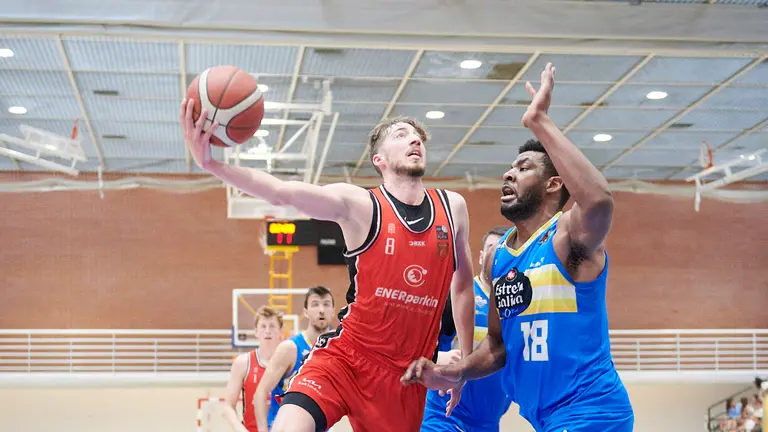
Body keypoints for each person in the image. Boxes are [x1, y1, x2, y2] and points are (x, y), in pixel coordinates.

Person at [181, 100, 476, 432]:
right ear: (379, 159)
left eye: (417, 136)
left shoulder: (453, 208)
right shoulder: (361, 204)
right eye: (401, 134)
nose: (414, 139)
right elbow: (281, 193)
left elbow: (463, 286)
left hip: (404, 378)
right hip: (345, 358)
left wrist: (464, 366)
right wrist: (212, 164)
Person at [401, 62, 635, 432]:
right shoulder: (500, 257)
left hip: (590, 410)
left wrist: (539, 121)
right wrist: (454, 372)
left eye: (524, 168)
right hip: (545, 417)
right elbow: (497, 346)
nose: (509, 173)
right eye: (511, 167)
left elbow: (599, 201)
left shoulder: (566, 236)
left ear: (553, 184)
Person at [421, 226, 512, 432]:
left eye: (502, 250)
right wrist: (439, 357)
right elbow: (411, 342)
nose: (495, 255)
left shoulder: (514, 305)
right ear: (480, 257)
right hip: (444, 418)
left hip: (488, 423)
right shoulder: (457, 297)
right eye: (491, 248)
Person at [254, 286, 335, 432]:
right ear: (306, 312)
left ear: (333, 311)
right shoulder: (290, 348)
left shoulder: (336, 350)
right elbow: (261, 392)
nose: (321, 310)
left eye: (326, 304)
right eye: (315, 304)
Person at [223, 306, 284, 432]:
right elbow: (228, 405)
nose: (267, 331)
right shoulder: (243, 363)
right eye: (263, 326)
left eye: (272, 326)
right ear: (256, 332)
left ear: (280, 332)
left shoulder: (291, 362)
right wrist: (239, 428)